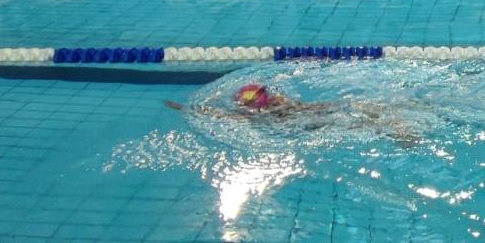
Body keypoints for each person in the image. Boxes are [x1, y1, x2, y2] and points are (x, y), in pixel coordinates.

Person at [166, 84, 421, 146]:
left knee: (345, 121)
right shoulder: (284, 100)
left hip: (299, 124)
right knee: (350, 108)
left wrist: (185, 108)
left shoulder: (255, 115)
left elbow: (221, 115)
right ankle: (393, 124)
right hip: (307, 113)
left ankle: (393, 129)